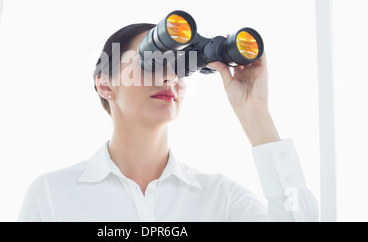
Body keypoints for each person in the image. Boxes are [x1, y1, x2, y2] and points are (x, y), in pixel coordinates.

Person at [18, 22, 318, 221]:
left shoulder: (221, 198)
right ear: (105, 84)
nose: (168, 77)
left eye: (178, 66)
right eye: (150, 62)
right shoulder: (53, 194)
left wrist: (255, 113)